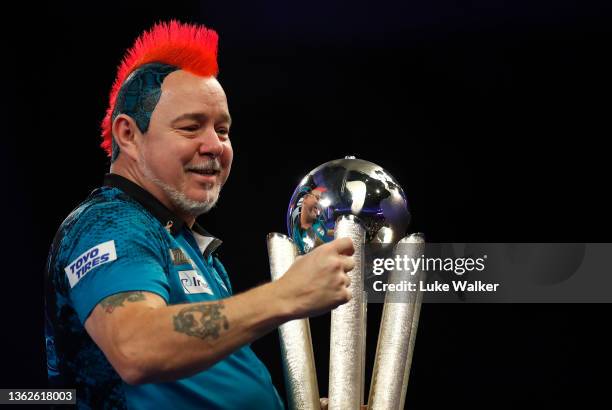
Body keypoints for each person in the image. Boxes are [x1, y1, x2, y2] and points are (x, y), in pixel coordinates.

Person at [44, 21, 354, 409]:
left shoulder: (189, 246)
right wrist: (286, 294)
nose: (214, 146)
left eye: (223, 130)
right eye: (191, 127)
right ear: (128, 135)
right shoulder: (109, 222)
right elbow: (136, 347)